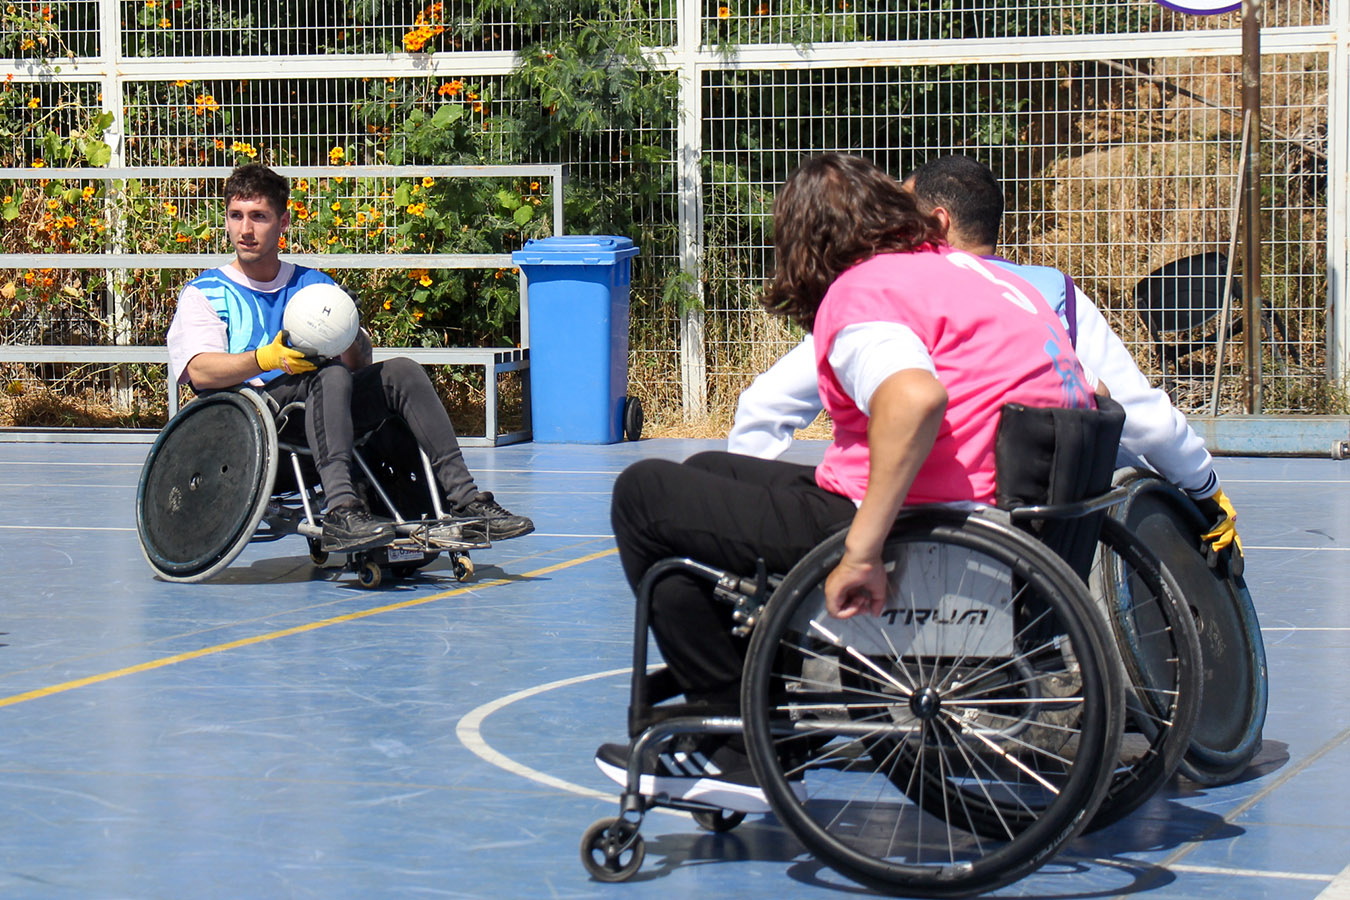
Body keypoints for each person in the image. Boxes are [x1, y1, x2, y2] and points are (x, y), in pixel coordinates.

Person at [595, 153, 1097, 812]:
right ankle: (768, 703)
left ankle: (741, 742)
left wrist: (862, 551)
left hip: (933, 528)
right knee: (707, 473)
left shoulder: (866, 289)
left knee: (645, 495)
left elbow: (916, 398)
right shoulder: (980, 276)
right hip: (1015, 517)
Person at [727, 154, 1241, 558]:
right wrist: (1202, 485)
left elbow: (765, 408)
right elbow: (1142, 417)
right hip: (1050, 527)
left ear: (937, 221)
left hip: (930, 523)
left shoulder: (895, 289)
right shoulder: (1049, 295)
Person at [166, 163, 533, 553]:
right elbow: (200, 372)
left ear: (283, 222)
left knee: (400, 372)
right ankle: (341, 508)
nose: (245, 230)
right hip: (251, 426)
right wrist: (265, 358)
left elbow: (357, 366)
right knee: (329, 376)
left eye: (259, 217)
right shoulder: (205, 292)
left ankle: (466, 502)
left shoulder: (316, 287)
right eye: (236, 216)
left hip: (325, 413)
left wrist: (351, 332)